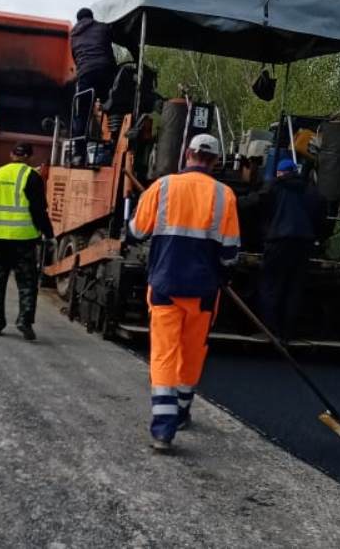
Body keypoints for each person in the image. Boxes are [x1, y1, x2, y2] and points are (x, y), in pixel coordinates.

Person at [128, 134, 240, 451]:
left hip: (165, 286)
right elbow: (230, 253)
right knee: (191, 353)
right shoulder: (225, 195)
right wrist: (223, 272)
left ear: (187, 153)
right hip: (203, 291)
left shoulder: (162, 187)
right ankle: (181, 411)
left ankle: (163, 430)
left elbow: (136, 232)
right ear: (215, 161)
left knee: (164, 354)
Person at [0, 143, 55, 340]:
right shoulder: (32, 177)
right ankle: (24, 321)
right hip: (23, 239)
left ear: (11, 155)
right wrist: (49, 234)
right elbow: (38, 210)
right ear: (30, 157)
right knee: (27, 283)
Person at [246, 156, 326, 343]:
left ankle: (270, 330)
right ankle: (287, 333)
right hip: (304, 244)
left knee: (271, 284)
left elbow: (255, 202)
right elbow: (322, 214)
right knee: (294, 287)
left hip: (279, 241)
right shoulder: (311, 191)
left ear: (279, 173)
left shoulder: (275, 186)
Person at [70, 8, 118, 163]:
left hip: (85, 75)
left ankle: (79, 154)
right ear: (91, 17)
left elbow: (76, 58)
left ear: (78, 20)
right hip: (106, 72)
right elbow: (119, 37)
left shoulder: (73, 36)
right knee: (114, 107)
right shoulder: (102, 27)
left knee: (82, 114)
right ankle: (115, 145)